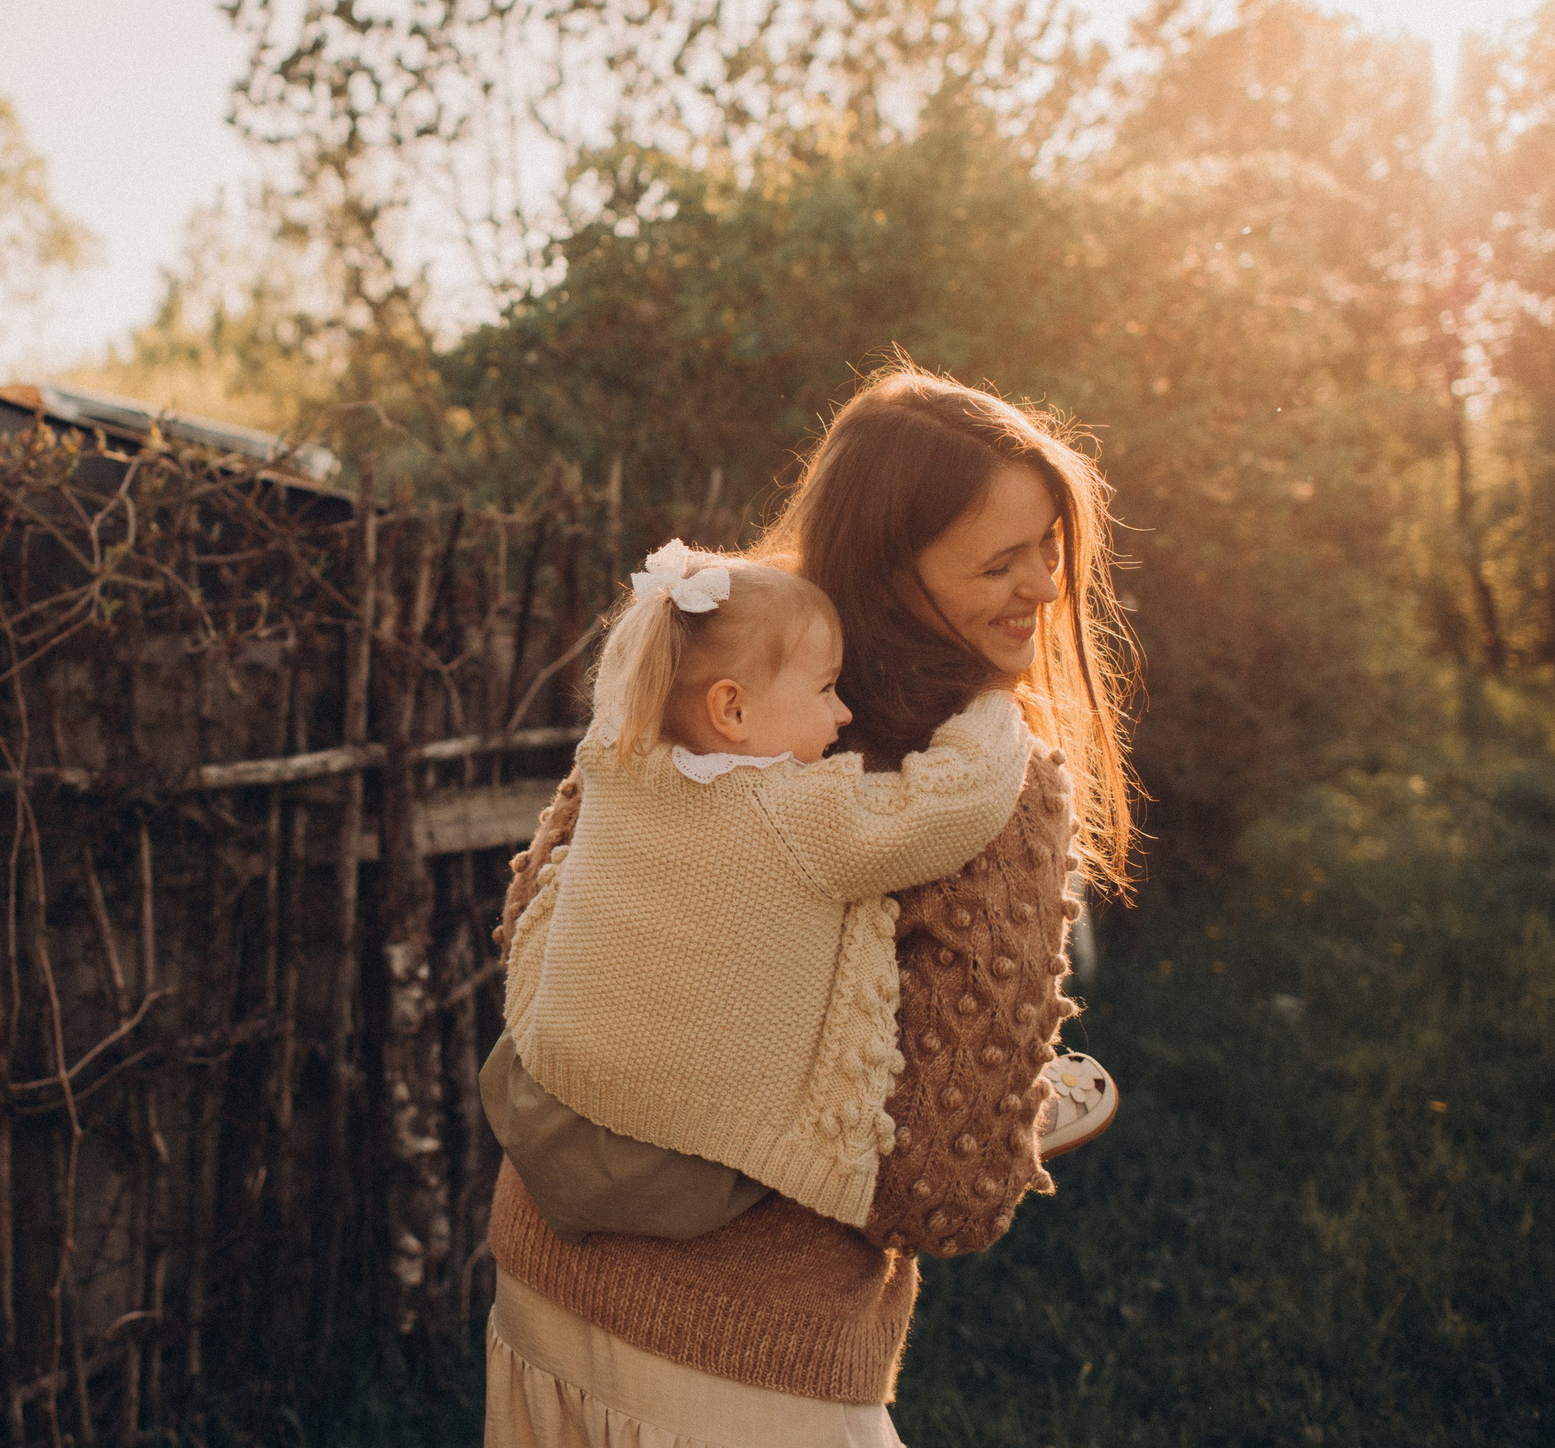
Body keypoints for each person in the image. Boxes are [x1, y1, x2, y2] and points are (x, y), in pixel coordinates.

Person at [482, 364, 1139, 1448]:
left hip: (539, 1282)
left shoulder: (702, 682)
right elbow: (949, 1183)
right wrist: (1015, 1114)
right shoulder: (976, 769)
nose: (1043, 587)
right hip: (746, 1361)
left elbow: (539, 926)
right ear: (894, 569)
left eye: (1050, 549)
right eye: (999, 561)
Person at [484, 544, 1045, 1243]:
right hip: (676, 1160)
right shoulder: (796, 817)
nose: (844, 712)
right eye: (826, 688)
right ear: (732, 708)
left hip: (539, 1094)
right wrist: (995, 701)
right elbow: (951, 804)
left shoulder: (614, 759)